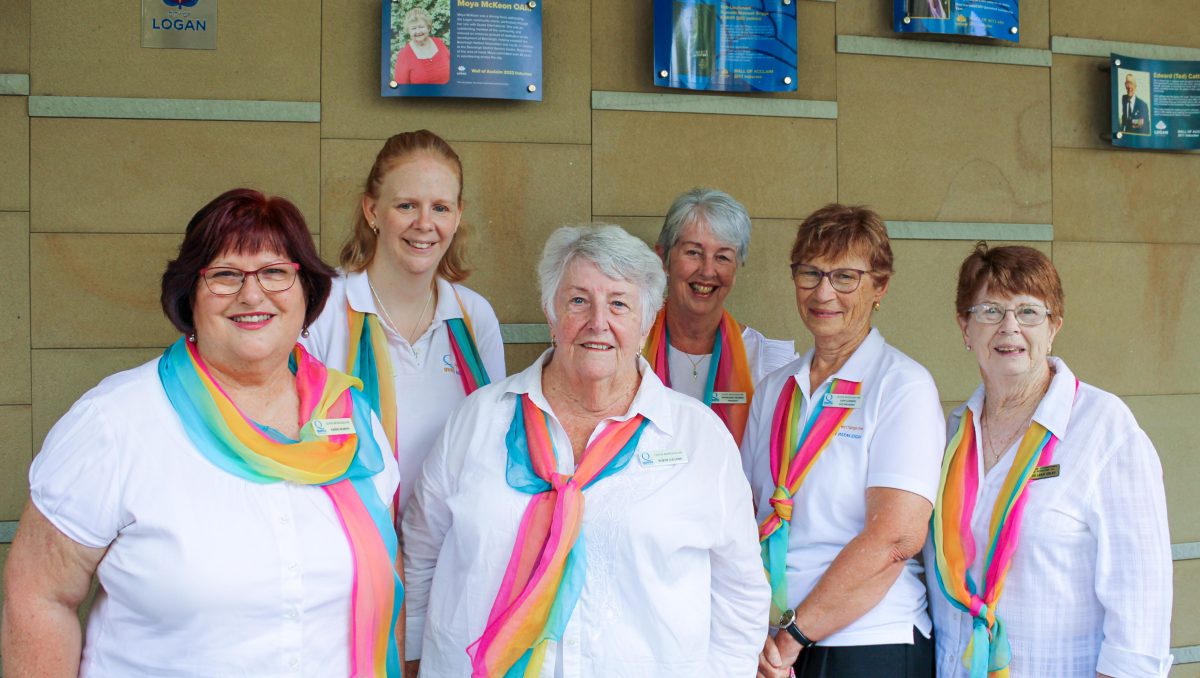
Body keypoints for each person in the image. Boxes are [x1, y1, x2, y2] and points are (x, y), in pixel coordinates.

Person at [0, 189, 404, 676]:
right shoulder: (116, 422)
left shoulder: (353, 420)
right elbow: (40, 596)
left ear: (307, 292)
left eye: (275, 272)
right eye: (225, 274)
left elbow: (387, 576)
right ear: (189, 295)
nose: (252, 294)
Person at [402, 224, 769, 676]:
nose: (599, 322)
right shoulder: (477, 421)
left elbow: (740, 593)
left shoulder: (698, 439)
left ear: (647, 321)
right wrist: (413, 659)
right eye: (578, 301)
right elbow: (420, 552)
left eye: (619, 304)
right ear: (550, 313)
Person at [926, 243, 1172, 677]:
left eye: (1028, 312)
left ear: (1054, 326)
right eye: (989, 311)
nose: (1008, 327)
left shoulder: (1104, 428)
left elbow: (1141, 604)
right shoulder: (951, 435)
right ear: (964, 328)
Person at [748, 204, 944, 678]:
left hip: (866, 643)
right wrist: (757, 633)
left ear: (881, 286)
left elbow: (895, 538)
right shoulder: (776, 388)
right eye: (810, 273)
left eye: (845, 277)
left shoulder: (902, 386)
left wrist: (793, 635)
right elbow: (743, 516)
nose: (823, 292)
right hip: (775, 644)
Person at [304, 129, 504, 515]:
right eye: (407, 206)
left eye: (441, 208)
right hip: (352, 554)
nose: (425, 223)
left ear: (458, 214)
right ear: (372, 210)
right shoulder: (321, 309)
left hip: (446, 557)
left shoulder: (474, 317)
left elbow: (489, 451)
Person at [643, 187, 796, 447]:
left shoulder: (765, 363)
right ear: (663, 258)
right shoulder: (629, 346)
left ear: (736, 269)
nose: (708, 270)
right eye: (693, 252)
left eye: (723, 257)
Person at [393, 8, 450, 85]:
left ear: (428, 28)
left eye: (421, 27)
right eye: (413, 28)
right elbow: (401, 89)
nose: (418, 31)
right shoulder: (404, 55)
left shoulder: (439, 43)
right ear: (408, 31)